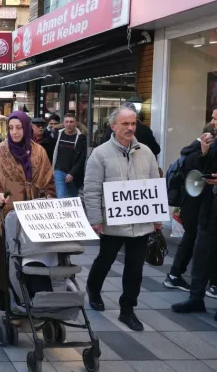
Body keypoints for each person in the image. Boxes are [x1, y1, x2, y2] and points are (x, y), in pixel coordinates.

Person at [83, 106, 162, 331]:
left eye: (133, 123)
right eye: (125, 124)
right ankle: (93, 288)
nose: (130, 128)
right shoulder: (100, 154)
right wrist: (95, 219)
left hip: (141, 223)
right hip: (112, 221)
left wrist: (157, 217)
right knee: (105, 261)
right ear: (113, 126)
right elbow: (91, 189)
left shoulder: (146, 152)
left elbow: (154, 186)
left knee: (135, 269)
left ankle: (127, 309)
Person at [0, 111, 56, 311]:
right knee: (8, 259)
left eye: (19, 127)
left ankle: (35, 301)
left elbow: (49, 181)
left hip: (35, 216)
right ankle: (10, 305)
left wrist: (49, 196)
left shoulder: (39, 152)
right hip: (7, 216)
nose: (14, 132)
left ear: (26, 128)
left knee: (34, 258)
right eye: (11, 128)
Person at [164, 121, 217, 295]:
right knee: (195, 240)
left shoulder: (191, 149)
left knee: (193, 239)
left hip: (193, 203)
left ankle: (177, 275)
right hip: (197, 204)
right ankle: (177, 275)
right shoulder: (198, 151)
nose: (213, 121)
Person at [52, 113, 87, 198]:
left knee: (73, 199)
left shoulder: (81, 138)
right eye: (66, 122)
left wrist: (72, 173)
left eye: (71, 122)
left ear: (75, 123)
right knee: (61, 198)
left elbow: (81, 158)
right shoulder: (58, 134)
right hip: (59, 171)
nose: (69, 124)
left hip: (74, 174)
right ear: (63, 123)